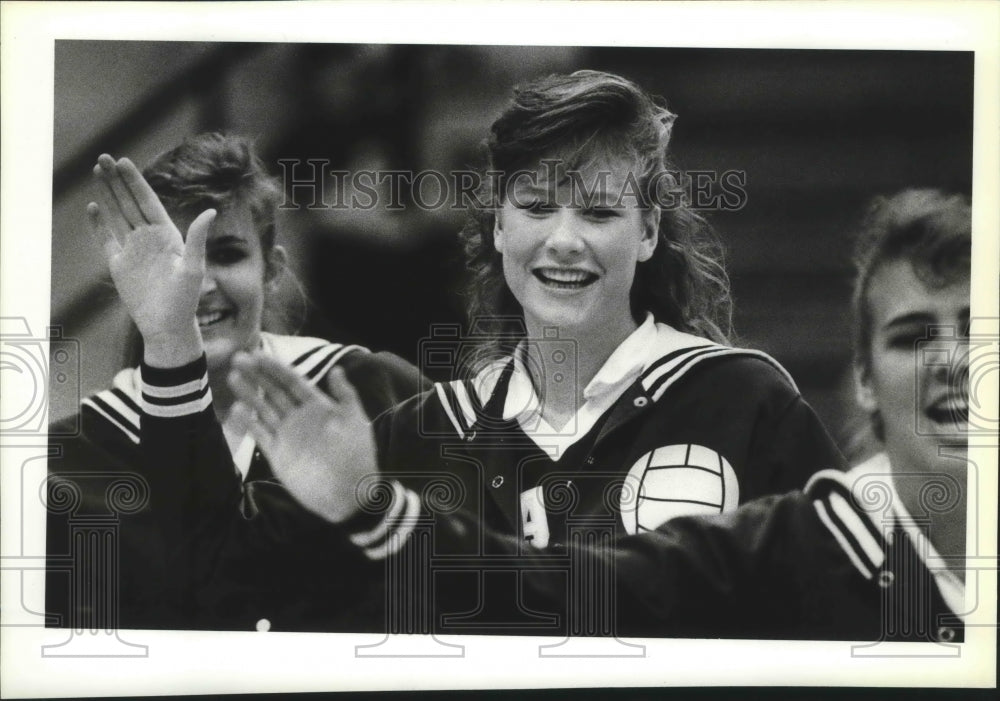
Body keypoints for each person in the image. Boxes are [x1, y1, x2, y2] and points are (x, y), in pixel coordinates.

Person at [209, 70, 847, 636]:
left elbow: (844, 611)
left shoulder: (742, 400)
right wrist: (169, 346)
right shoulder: (418, 433)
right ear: (497, 225)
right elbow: (223, 604)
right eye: (536, 207)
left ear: (648, 231)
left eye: (598, 212)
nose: (564, 240)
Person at [334, 187, 968, 641]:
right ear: (861, 376)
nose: (954, 360)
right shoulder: (802, 543)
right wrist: (377, 512)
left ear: (648, 231)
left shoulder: (744, 397)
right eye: (913, 334)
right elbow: (581, 589)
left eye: (977, 327)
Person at [45, 133, 428, 631]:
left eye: (225, 254)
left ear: (272, 269)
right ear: (128, 281)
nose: (196, 285)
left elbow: (452, 583)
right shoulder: (72, 459)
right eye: (173, 261)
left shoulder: (379, 392)